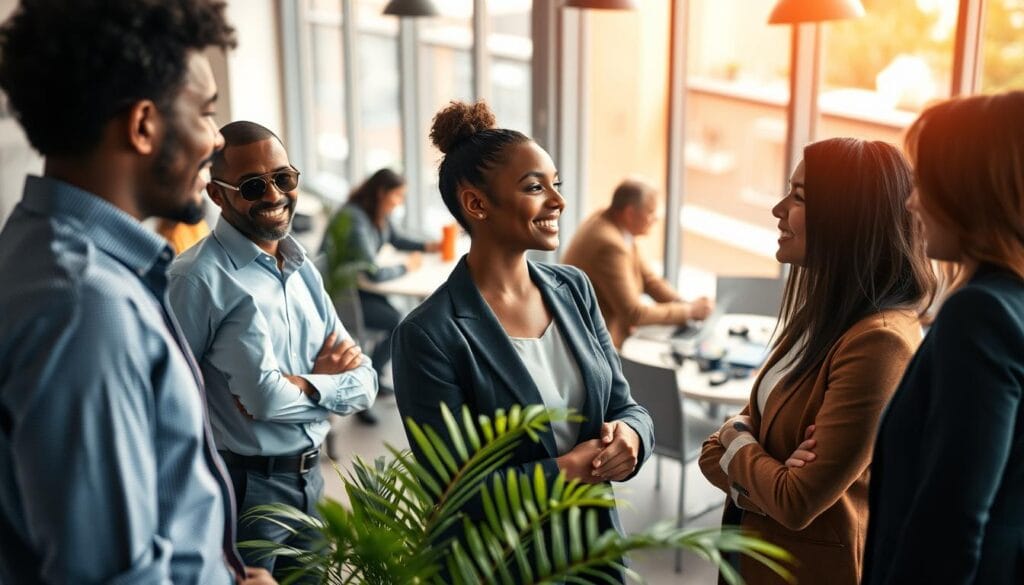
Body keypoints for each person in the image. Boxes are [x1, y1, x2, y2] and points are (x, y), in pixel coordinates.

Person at [0, 1, 274, 583]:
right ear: (144, 124)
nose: (216, 142)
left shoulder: (43, 254)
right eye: (206, 114)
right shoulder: (85, 306)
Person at [391, 101, 654, 581]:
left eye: (557, 184)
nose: (558, 200)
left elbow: (624, 404)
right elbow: (455, 491)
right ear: (476, 204)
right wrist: (571, 469)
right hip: (501, 566)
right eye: (536, 187)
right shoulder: (428, 335)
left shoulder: (573, 289)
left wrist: (633, 437)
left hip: (594, 551)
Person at [697, 138, 935, 585]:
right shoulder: (825, 316)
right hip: (754, 554)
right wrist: (756, 457)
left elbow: (795, 501)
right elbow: (713, 452)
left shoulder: (880, 342)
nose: (778, 209)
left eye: (800, 196)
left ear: (849, 218)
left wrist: (737, 440)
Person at [168, 121, 378, 580]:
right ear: (218, 195)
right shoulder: (196, 279)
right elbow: (231, 400)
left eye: (283, 178)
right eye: (252, 185)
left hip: (311, 477)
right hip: (243, 489)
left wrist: (304, 384)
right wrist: (325, 385)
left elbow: (366, 382)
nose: (274, 194)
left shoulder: (303, 269)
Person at [863, 92, 1024, 585]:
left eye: (925, 182)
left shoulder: (979, 314)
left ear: (969, 192)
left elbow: (951, 520)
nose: (912, 201)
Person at [320, 168, 439, 424]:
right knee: (396, 322)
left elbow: (396, 239)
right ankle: (364, 383)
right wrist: (407, 266)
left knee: (397, 318)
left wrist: (428, 246)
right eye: (398, 196)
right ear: (382, 193)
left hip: (359, 289)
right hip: (342, 296)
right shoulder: (355, 219)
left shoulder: (377, 214)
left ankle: (373, 375)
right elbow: (372, 273)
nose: (400, 202)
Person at [561, 178, 713, 348]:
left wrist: (684, 304)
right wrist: (690, 312)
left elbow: (649, 280)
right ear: (630, 213)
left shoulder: (614, 223)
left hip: (608, 330)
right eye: (651, 212)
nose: (656, 218)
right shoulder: (609, 245)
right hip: (597, 345)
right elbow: (634, 314)